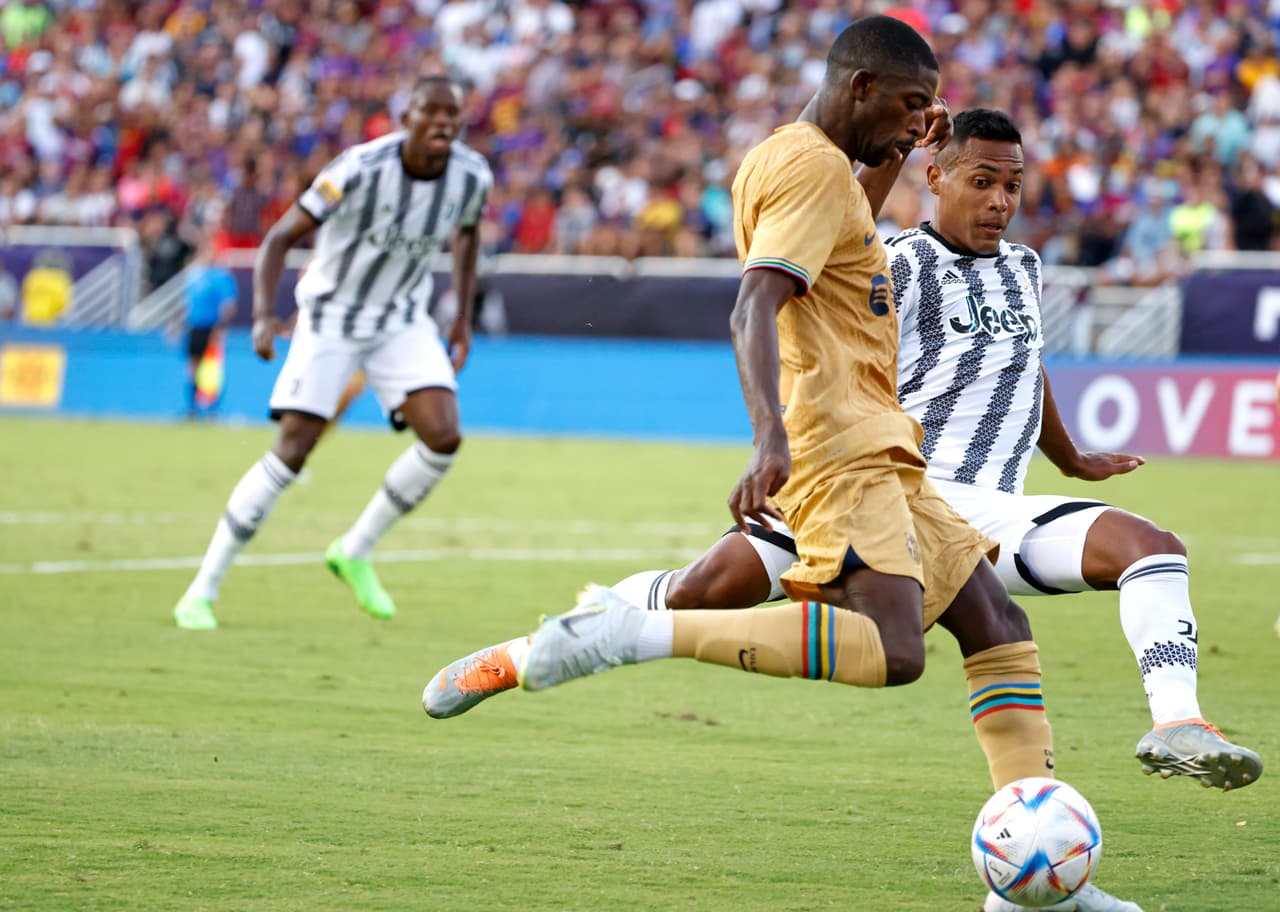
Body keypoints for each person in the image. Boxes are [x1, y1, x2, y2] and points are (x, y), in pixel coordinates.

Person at [423, 24, 1139, 912]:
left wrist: (893, 155)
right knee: (892, 651)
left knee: (996, 625)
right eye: (912, 107)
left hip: (883, 443)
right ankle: (628, 632)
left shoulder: (824, 169)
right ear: (862, 86)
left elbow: (847, 231)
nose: (924, 129)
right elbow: (754, 303)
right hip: (839, 442)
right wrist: (771, 437)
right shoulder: (805, 168)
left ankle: (1048, 895)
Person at [172, 75, 493, 631]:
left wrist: (461, 315)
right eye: (431, 112)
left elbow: (467, 237)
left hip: (401, 319)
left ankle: (355, 549)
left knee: (444, 438)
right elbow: (279, 237)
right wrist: (263, 315)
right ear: (407, 117)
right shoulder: (359, 168)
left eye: (453, 114)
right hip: (331, 318)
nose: (443, 122)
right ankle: (202, 590)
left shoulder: (472, 176)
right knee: (294, 449)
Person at [181, 235, 238, 419]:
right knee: (192, 368)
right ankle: (192, 408)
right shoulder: (193, 275)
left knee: (212, 369)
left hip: (211, 328)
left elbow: (228, 305)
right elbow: (187, 303)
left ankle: (213, 410)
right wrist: (178, 324)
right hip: (194, 327)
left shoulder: (221, 276)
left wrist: (220, 327)